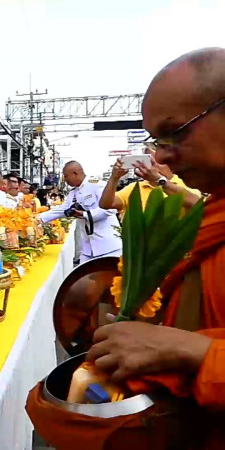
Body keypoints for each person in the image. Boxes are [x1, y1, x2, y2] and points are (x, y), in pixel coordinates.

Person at [86, 48, 225, 447]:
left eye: (176, 131)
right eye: (155, 139)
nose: (160, 153)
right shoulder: (213, 211)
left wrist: (193, 350)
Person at [38, 161, 121, 262]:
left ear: (75, 173)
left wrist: (85, 214)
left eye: (66, 176)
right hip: (88, 249)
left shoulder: (97, 185)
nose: (65, 180)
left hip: (107, 246)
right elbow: (62, 209)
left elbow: (110, 209)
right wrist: (38, 219)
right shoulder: (74, 192)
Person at [99, 153, 200, 216]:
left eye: (156, 162)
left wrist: (159, 180)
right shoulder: (135, 188)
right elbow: (106, 204)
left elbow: (195, 203)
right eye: (148, 162)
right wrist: (114, 178)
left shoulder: (186, 184)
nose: (152, 166)